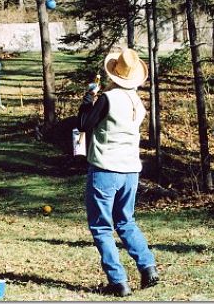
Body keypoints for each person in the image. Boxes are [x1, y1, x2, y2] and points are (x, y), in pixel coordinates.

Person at [77, 48, 159, 297]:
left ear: (114, 73)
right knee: (126, 221)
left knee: (101, 227)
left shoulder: (107, 98)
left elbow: (83, 124)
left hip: (105, 169)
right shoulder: (138, 103)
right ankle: (148, 267)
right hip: (131, 171)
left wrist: (87, 100)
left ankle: (118, 282)